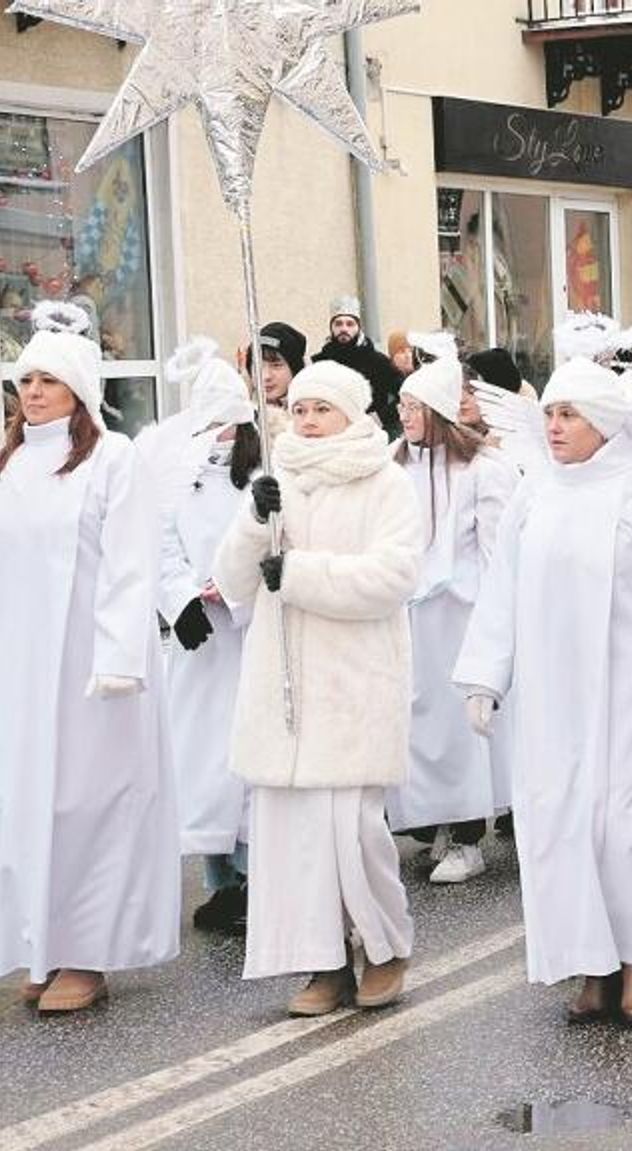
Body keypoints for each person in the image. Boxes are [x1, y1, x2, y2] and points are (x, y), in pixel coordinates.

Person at [453, 357, 632, 1027]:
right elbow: (503, 590)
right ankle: (590, 964)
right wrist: (487, 674)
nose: (552, 426)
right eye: (549, 412)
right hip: (553, 700)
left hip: (629, 688)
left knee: (626, 825)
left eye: (568, 414)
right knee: (560, 827)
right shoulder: (534, 494)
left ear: (605, 424)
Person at [213, 361, 420, 1017]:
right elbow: (233, 579)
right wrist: (252, 520)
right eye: (298, 409)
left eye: (320, 409)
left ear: (351, 414)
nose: (305, 421)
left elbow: (394, 576)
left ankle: (384, 946)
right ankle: (322, 961)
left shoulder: (386, 482)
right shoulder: (275, 483)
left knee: (352, 832)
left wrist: (300, 572)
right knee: (294, 839)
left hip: (352, 682)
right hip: (283, 689)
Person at [0, 318, 181, 1013]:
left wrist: (119, 657)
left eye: (49, 380)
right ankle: (42, 942)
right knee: (30, 805)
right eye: (27, 381)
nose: (35, 392)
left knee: (88, 806)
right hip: (24, 666)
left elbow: (130, 565)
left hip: (95, 673)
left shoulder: (114, 460)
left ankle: (87, 952)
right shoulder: (11, 462)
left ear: (80, 390)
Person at [386, 356, 513, 884]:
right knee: (420, 724)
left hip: (461, 617)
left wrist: (493, 618)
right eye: (401, 405)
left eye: (414, 407)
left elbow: (498, 552)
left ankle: (468, 834)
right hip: (411, 616)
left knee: (462, 729)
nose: (404, 415)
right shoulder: (394, 465)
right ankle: (436, 818)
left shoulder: (483, 469)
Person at [156, 351, 262, 933]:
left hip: (246, 641)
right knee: (201, 761)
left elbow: (267, 541)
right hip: (200, 646)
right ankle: (220, 876)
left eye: (219, 425)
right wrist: (180, 600)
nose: (210, 437)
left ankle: (254, 873)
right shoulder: (178, 479)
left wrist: (235, 589)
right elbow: (160, 541)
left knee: (242, 759)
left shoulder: (260, 476)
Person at [312, 296, 404, 438]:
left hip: (369, 437)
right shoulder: (319, 362)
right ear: (331, 327)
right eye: (338, 324)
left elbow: (404, 394)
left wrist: (380, 418)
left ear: (358, 327)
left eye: (350, 324)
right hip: (330, 438)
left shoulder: (378, 362)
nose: (344, 329)